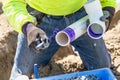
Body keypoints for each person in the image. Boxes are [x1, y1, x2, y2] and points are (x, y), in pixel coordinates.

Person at [2, 0, 116, 80]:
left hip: (81, 17)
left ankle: (79, 44)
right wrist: (28, 27)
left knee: (102, 67)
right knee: (23, 74)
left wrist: (108, 7)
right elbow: (12, 2)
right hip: (41, 21)